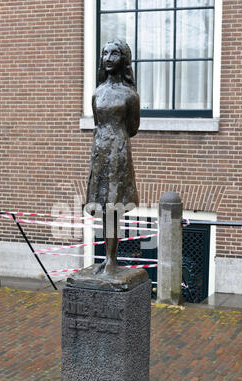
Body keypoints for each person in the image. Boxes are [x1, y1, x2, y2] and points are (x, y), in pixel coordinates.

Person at [86, 39, 140, 275]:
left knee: (114, 205)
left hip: (118, 151)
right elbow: (98, 123)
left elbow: (133, 127)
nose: (108, 58)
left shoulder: (130, 95)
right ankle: (106, 257)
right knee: (103, 206)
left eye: (114, 53)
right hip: (100, 151)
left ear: (123, 59)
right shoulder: (97, 92)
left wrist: (115, 140)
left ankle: (112, 259)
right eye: (105, 53)